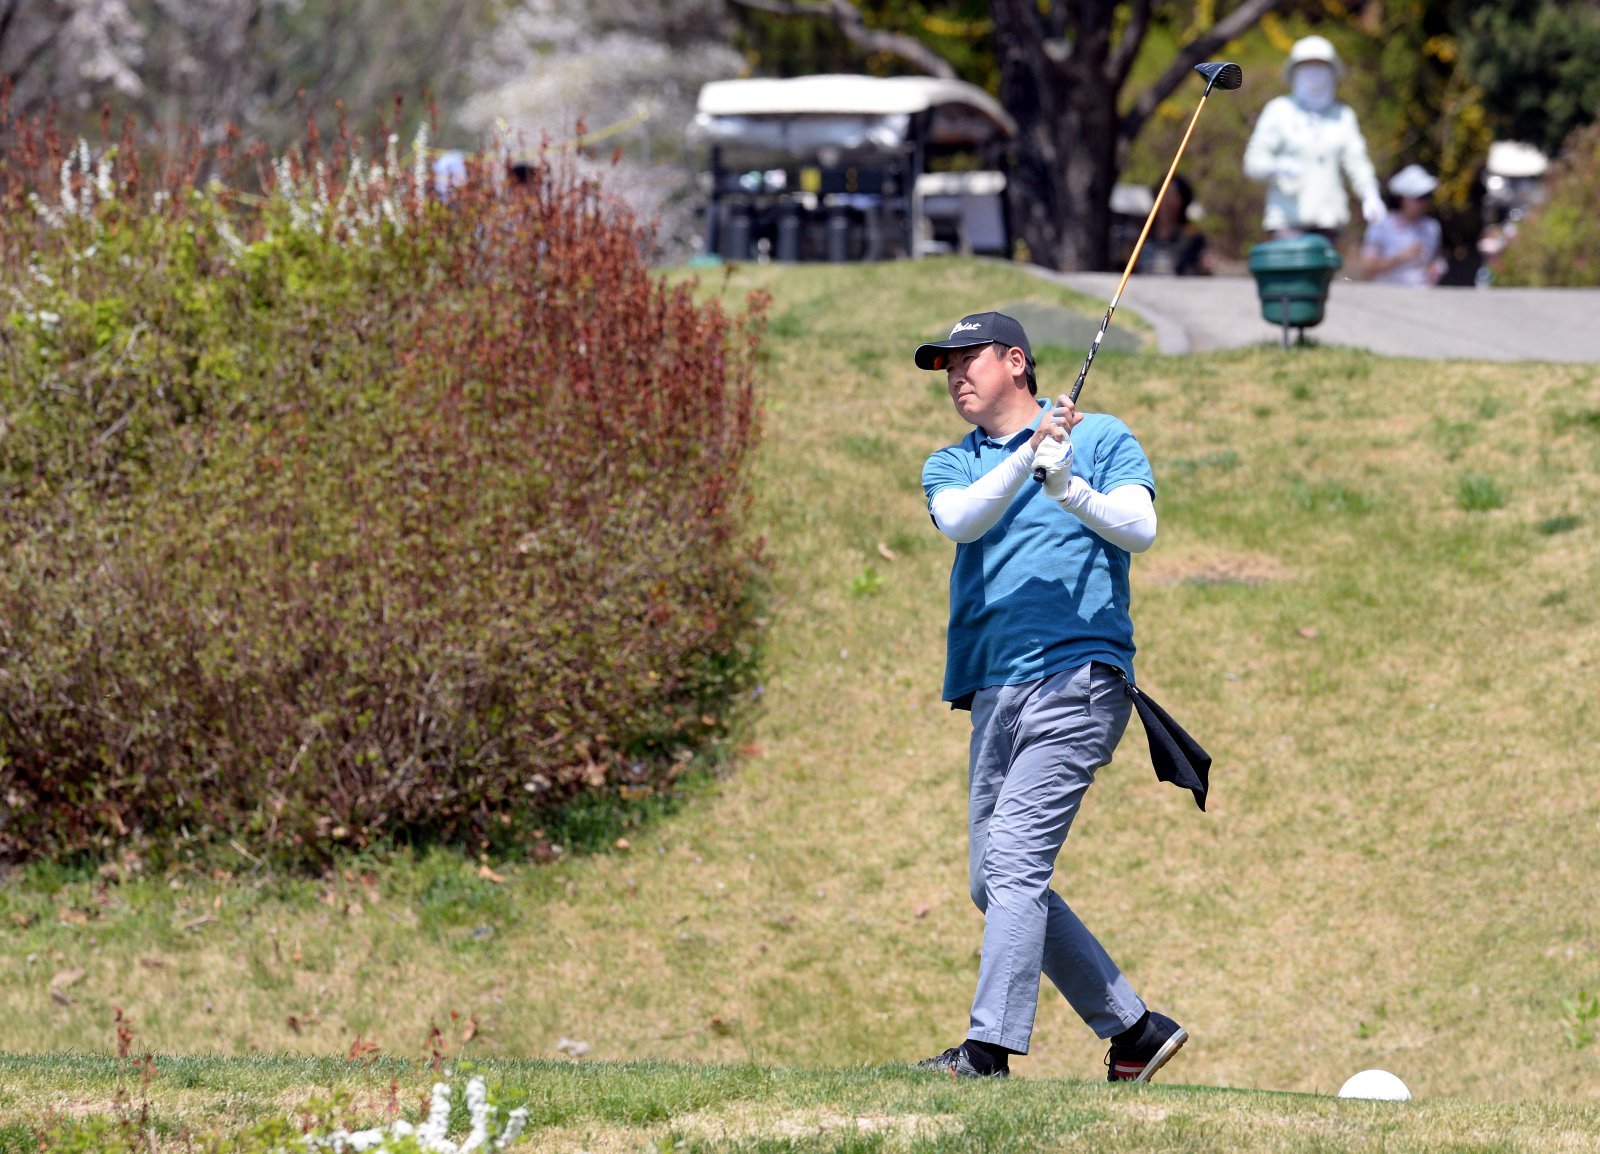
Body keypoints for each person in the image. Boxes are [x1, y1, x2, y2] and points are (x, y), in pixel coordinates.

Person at [910, 311, 1186, 1083]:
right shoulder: (951, 464)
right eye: (946, 367)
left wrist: (1067, 485)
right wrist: (1027, 455)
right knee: (990, 882)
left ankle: (986, 1051)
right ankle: (1134, 1029)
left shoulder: (1098, 438)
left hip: (1079, 678)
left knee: (1016, 867)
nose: (956, 376)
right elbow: (963, 523)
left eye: (969, 360)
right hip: (994, 688)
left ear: (1017, 362)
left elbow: (1140, 527)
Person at [1243, 34, 1385, 242]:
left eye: (1321, 68)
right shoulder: (1279, 110)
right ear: (1294, 72)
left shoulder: (1343, 116)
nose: (1314, 75)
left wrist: (1370, 193)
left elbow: (1357, 161)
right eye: (1307, 68)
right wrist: (1276, 167)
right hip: (1287, 223)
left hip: (1329, 223)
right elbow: (1253, 162)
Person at [1361, 164, 1447, 285]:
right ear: (1403, 199)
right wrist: (1402, 257)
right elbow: (1368, 268)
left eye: (1427, 196)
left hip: (1423, 295)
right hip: (1387, 295)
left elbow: (1433, 260)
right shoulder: (1381, 225)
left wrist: (1435, 268)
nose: (1424, 202)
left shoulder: (1432, 227)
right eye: (1419, 197)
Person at [1135, 174, 1213, 276]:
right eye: (1164, 194)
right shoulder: (1140, 234)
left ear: (1182, 201)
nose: (1167, 201)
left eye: (1173, 195)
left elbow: (1201, 270)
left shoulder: (1192, 237)